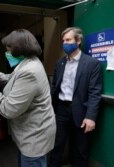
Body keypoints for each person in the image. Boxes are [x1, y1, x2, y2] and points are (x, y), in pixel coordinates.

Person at [0, 29, 56, 167]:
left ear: (20, 49)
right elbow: (12, 79)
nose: (7, 53)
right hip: (30, 133)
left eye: (9, 49)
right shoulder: (29, 62)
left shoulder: (29, 71)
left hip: (34, 137)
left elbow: (9, 109)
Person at [48, 27, 102, 167]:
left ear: (78, 41)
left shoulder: (91, 64)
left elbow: (94, 92)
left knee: (80, 149)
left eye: (68, 40)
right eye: (63, 41)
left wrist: (91, 117)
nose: (65, 43)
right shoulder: (60, 63)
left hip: (81, 111)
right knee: (56, 145)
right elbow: (54, 87)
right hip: (61, 110)